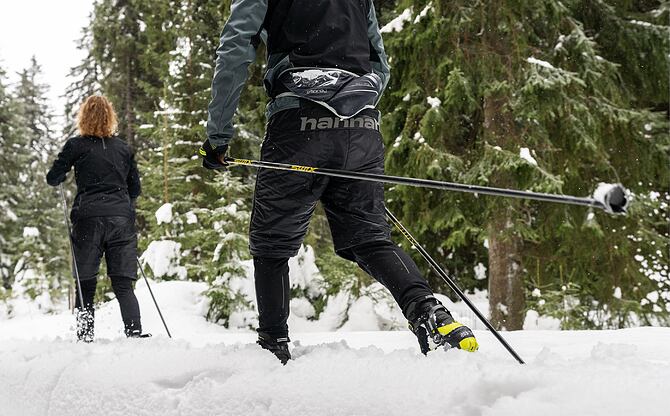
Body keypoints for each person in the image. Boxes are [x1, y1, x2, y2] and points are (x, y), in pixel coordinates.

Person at [200, 0, 478, 364]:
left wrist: (218, 137)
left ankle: (273, 348)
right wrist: (351, 102)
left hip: (298, 125)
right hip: (361, 125)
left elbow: (235, 49)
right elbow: (380, 62)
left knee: (271, 244)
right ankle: (428, 311)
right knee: (370, 237)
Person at [47, 95, 149, 342]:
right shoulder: (123, 148)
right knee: (123, 284)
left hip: (88, 219)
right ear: (109, 118)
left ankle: (85, 336)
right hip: (120, 221)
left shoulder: (76, 145)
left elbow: (53, 177)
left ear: (84, 117)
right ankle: (134, 332)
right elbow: (134, 189)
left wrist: (65, 174)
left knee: (85, 282)